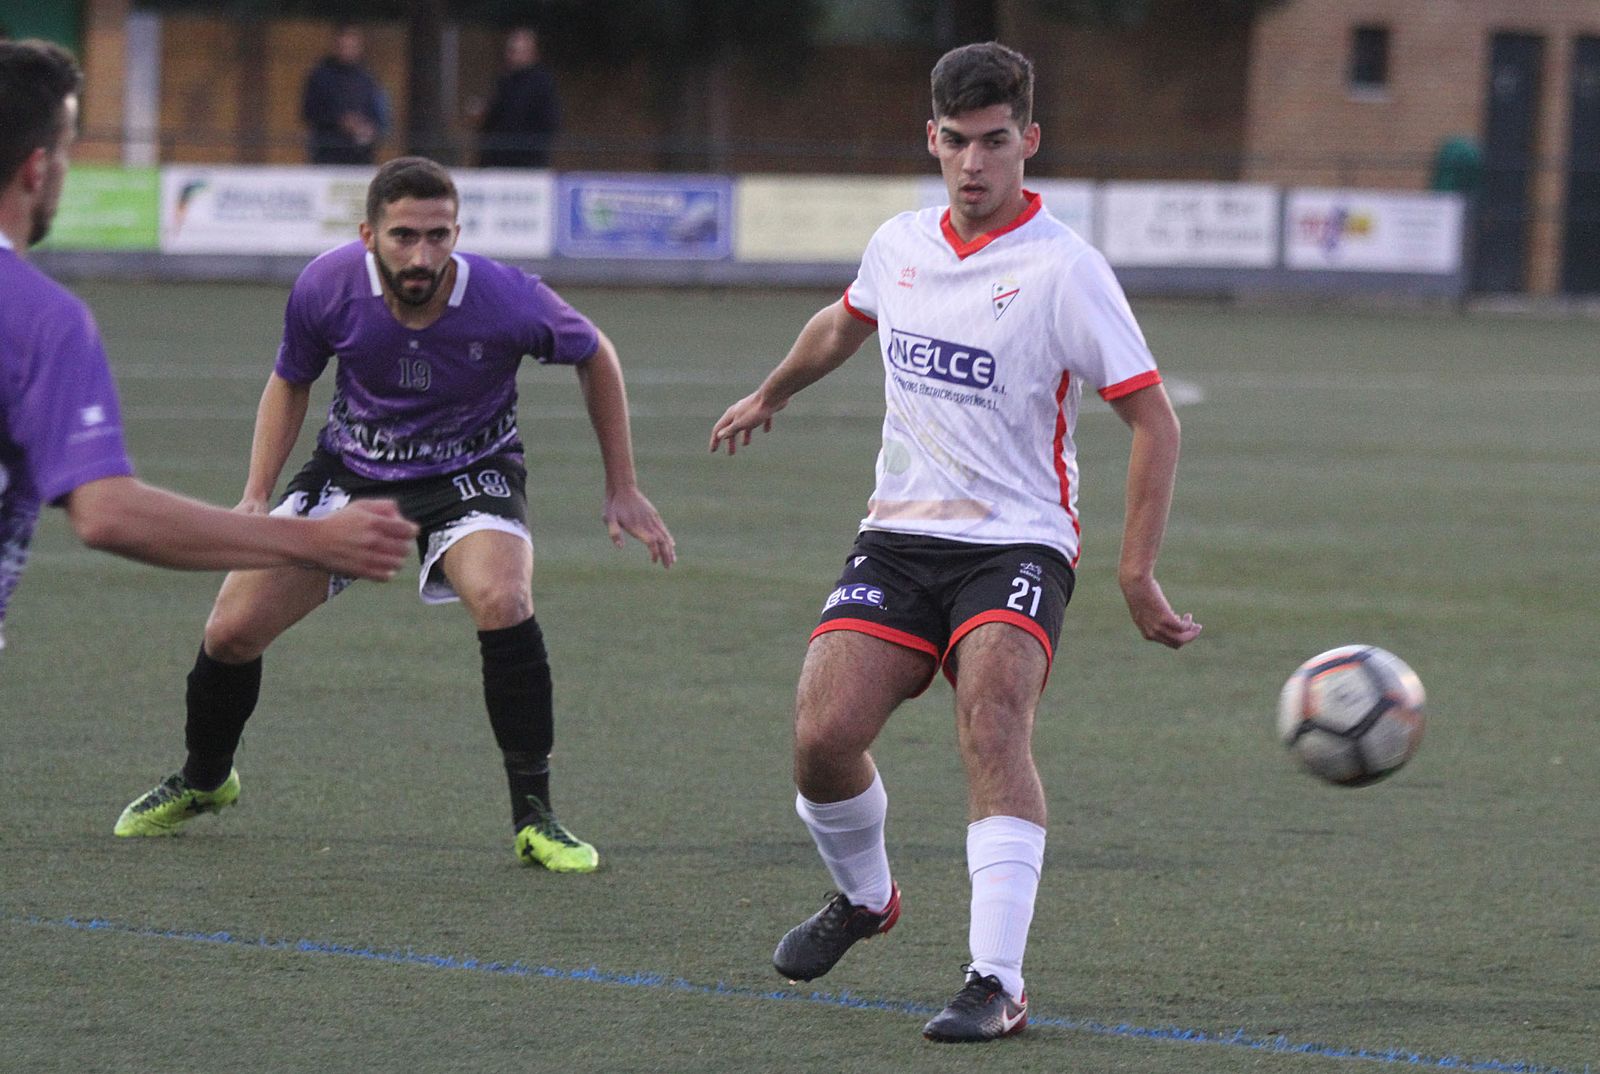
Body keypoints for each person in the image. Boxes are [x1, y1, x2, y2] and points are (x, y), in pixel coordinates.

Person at [710, 41, 1201, 1043]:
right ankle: (866, 898)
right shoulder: (898, 243)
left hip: (1017, 542)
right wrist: (772, 390)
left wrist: (1135, 571)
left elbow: (1155, 419)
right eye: (955, 142)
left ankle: (995, 980)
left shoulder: (1065, 269)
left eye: (994, 142)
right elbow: (844, 322)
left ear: (1029, 140)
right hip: (897, 538)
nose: (974, 163)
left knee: (992, 719)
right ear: (928, 139)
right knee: (821, 735)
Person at [114, 155, 676, 873]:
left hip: (470, 473)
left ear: (457, 232)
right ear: (368, 234)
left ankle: (535, 818)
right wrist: (258, 494)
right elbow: (291, 381)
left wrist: (621, 484)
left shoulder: (506, 297)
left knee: (504, 598)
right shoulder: (326, 286)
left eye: (439, 236)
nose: (423, 254)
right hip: (354, 473)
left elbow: (595, 353)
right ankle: (204, 779)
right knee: (230, 630)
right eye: (404, 236)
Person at [0, 39, 418, 655]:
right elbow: (106, 513)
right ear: (38, 168)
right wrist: (314, 541)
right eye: (68, 151)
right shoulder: (39, 318)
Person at [301, 23, 390, 165]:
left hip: (361, 153)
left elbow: (379, 113)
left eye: (352, 47)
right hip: (328, 151)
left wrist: (370, 127)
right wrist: (340, 121)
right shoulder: (320, 77)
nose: (347, 51)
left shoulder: (367, 78)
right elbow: (309, 111)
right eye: (343, 47)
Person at [475, 27, 561, 169]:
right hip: (495, 162)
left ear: (532, 53)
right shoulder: (504, 81)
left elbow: (549, 122)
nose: (511, 55)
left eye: (516, 50)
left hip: (527, 164)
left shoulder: (542, 84)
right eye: (510, 50)